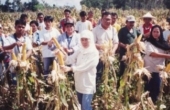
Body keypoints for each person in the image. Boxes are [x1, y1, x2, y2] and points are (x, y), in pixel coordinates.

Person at [60, 30, 99, 110]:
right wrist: (62, 55)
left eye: (86, 39)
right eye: (82, 39)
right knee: (81, 106)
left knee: (86, 107)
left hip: (88, 84)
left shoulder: (94, 53)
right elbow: (70, 60)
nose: (84, 42)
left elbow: (87, 66)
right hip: (79, 82)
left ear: (90, 40)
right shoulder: (79, 50)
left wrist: (71, 68)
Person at [144, 25, 170, 103]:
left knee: (157, 89)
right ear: (151, 33)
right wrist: (167, 56)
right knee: (148, 89)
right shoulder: (148, 42)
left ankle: (154, 104)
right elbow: (152, 54)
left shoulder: (163, 43)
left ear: (160, 33)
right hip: (149, 70)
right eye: (154, 32)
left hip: (159, 70)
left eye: (157, 32)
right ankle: (147, 104)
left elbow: (167, 49)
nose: (155, 33)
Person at [3, 19, 33, 84]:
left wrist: (24, 58)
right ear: (15, 27)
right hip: (14, 65)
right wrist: (14, 44)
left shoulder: (26, 39)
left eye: (23, 27)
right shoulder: (9, 38)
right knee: (15, 82)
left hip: (24, 65)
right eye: (19, 26)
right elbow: (4, 47)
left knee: (25, 82)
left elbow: (30, 50)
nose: (21, 29)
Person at [93, 11, 119, 80]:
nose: (108, 21)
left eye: (109, 19)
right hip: (99, 57)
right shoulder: (95, 30)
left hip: (110, 57)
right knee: (98, 75)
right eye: (106, 19)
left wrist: (113, 51)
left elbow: (116, 42)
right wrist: (99, 47)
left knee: (109, 75)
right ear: (101, 19)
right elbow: (92, 43)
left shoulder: (113, 30)